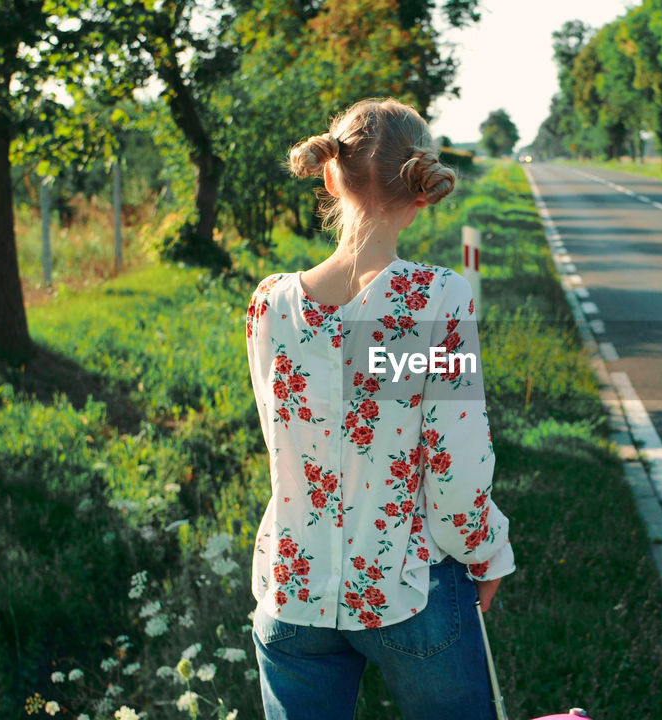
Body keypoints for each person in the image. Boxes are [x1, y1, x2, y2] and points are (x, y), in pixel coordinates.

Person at [243, 97, 515, 720]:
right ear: (423, 187)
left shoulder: (270, 304)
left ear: (330, 174)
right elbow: (455, 464)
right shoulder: (432, 299)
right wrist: (486, 549)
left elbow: (294, 437)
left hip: (293, 588)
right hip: (406, 586)